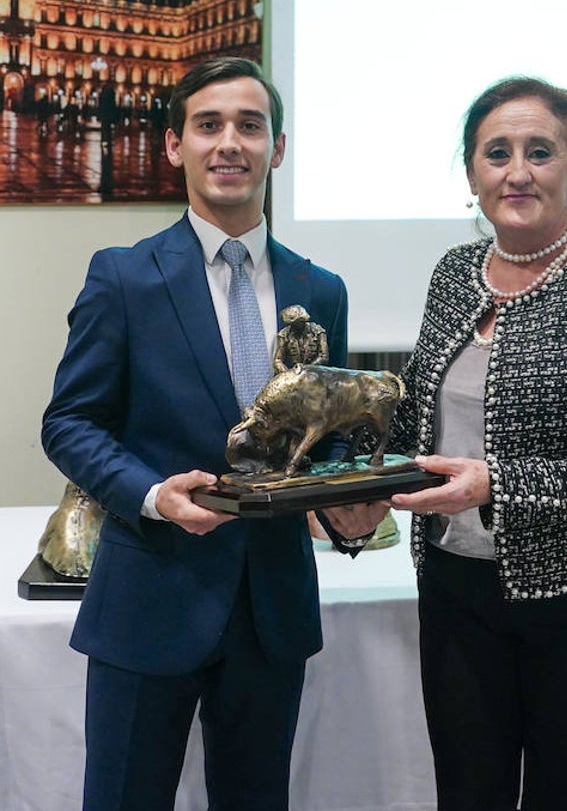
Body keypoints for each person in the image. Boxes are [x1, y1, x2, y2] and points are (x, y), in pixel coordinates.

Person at [337, 76, 567, 811]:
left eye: (540, 151)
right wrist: (355, 501)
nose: (517, 170)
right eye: (496, 153)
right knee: (467, 793)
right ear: (471, 175)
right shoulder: (453, 277)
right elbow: (414, 434)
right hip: (457, 593)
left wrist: (497, 483)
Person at [42, 56, 378, 811]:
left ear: (277, 149)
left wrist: (346, 509)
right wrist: (153, 494)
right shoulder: (123, 277)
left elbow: (328, 436)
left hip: (273, 613)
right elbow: (68, 421)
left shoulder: (320, 290)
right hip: (149, 598)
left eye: (249, 126)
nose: (230, 142)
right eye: (208, 124)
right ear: (174, 146)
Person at [273, 304, 329, 372]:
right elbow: (277, 360)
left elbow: (324, 356)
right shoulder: (284, 334)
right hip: (295, 373)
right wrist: (287, 373)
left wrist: (306, 369)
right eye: (290, 324)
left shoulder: (318, 332)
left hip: (315, 372)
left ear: (303, 320)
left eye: (296, 323)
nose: (293, 326)